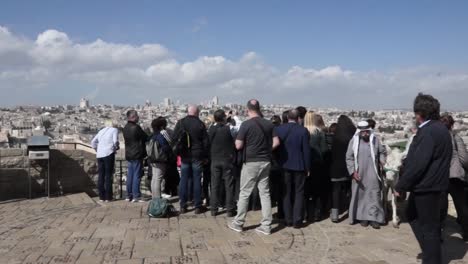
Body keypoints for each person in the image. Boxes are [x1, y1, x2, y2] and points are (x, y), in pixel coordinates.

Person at [395, 93, 452, 264]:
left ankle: (432, 257)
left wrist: (401, 185)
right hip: (436, 185)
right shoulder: (441, 129)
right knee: (417, 218)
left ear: (419, 113)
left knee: (428, 229)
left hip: (426, 188)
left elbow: (418, 163)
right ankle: (430, 253)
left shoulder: (427, 132)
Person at [228, 99, 280, 235]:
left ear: (247, 110)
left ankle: (238, 223)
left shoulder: (246, 125)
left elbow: (238, 145)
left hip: (251, 161)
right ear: (259, 109)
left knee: (245, 192)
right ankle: (266, 225)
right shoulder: (269, 124)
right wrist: (268, 150)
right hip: (266, 161)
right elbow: (276, 142)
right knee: (265, 193)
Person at [346, 121, 387, 229]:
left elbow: (382, 152)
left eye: (367, 131)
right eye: (363, 132)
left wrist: (382, 160)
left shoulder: (375, 140)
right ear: (359, 132)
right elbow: (349, 158)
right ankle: (362, 217)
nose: (365, 134)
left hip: (373, 173)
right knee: (361, 196)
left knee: (374, 195)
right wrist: (352, 172)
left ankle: (374, 218)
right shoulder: (353, 141)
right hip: (359, 174)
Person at [276, 110, 311, 228]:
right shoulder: (303, 130)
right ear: (298, 118)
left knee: (286, 192)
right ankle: (297, 220)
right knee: (299, 192)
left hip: (284, 164)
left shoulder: (280, 129)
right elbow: (306, 151)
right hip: (299, 165)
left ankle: (288, 219)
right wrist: (307, 167)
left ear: (287, 117)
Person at [173, 105, 210, 214]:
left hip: (184, 156)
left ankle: (183, 205)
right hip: (197, 156)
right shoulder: (200, 124)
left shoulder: (180, 123)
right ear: (197, 113)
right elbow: (206, 143)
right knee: (197, 180)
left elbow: (174, 139)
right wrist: (205, 156)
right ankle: (198, 206)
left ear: (188, 112)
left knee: (183, 179)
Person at [440, 114, 468, 241]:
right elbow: (464, 159)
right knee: (462, 206)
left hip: (441, 177)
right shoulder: (456, 137)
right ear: (452, 125)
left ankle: (438, 234)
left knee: (440, 207)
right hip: (456, 176)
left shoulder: (437, 139)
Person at [208, 109, 236, 217]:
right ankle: (230, 209)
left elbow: (208, 143)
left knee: (214, 185)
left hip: (215, 159)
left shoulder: (211, 129)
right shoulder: (229, 129)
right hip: (227, 160)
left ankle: (214, 209)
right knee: (229, 185)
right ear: (224, 118)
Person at [330, 115, 356, 223]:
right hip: (349, 167)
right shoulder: (352, 136)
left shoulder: (335, 137)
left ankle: (335, 214)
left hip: (336, 167)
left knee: (335, 191)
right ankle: (351, 213)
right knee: (350, 190)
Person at [304, 111, 329, 221]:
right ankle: (317, 214)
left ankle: (305, 213)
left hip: (304, 164)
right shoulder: (318, 132)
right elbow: (324, 149)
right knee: (317, 190)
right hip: (317, 163)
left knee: (305, 190)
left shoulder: (302, 131)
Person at [123, 110, 148, 203]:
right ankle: (136, 196)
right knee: (137, 175)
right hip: (137, 154)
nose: (138, 117)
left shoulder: (125, 128)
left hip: (129, 154)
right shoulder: (136, 127)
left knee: (130, 175)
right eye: (137, 116)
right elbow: (146, 137)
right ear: (133, 117)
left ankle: (128, 196)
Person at [91, 120, 119, 202]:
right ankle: (108, 197)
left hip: (99, 155)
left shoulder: (101, 131)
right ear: (114, 124)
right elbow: (115, 142)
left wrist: (97, 149)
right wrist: (116, 147)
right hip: (108, 153)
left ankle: (101, 197)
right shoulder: (114, 130)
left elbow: (93, 142)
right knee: (108, 175)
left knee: (101, 175)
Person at [149, 117, 173, 199]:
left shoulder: (153, 135)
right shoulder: (160, 135)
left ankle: (154, 197)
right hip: (160, 159)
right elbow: (165, 147)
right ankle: (157, 198)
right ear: (162, 126)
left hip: (152, 159)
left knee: (154, 178)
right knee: (158, 178)